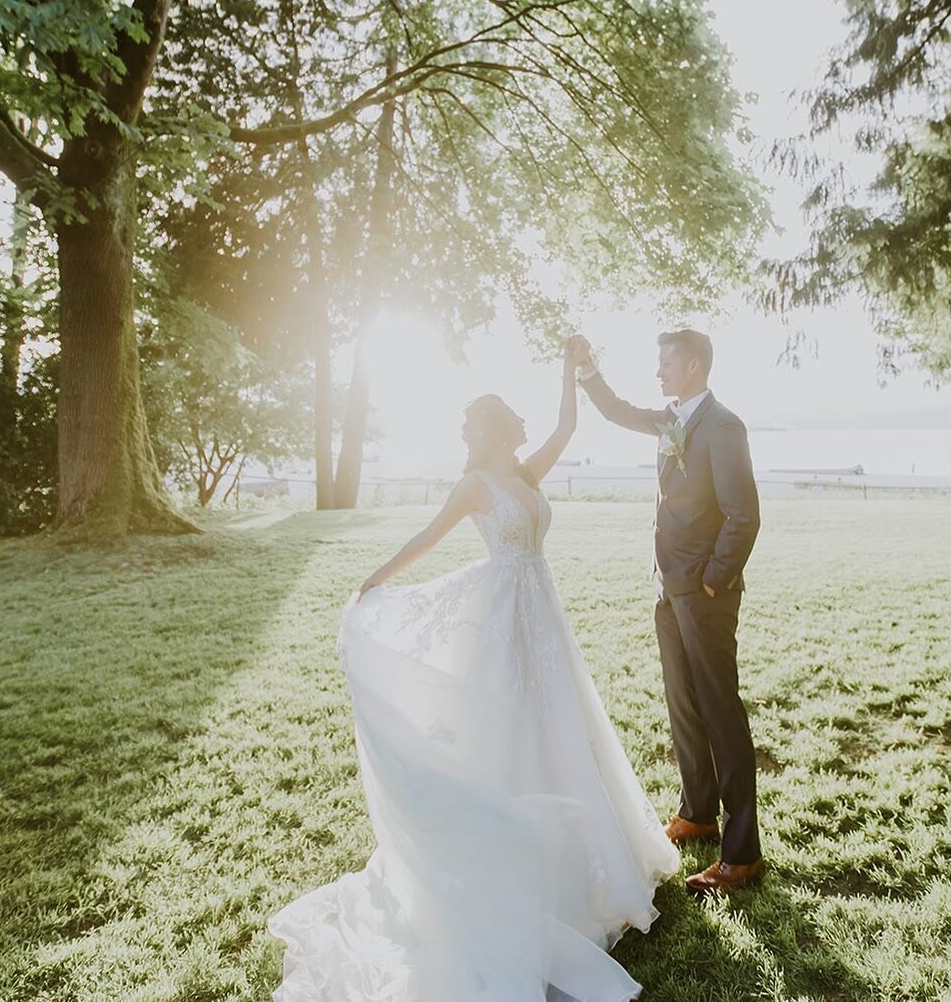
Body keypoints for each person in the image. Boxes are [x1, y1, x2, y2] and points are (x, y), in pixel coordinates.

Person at [266, 343, 679, 1001]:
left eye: (516, 424)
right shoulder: (475, 487)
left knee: (563, 725)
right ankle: (513, 853)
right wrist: (374, 580)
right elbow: (426, 538)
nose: (517, 431)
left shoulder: (528, 475)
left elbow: (568, 427)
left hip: (543, 617)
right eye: (507, 424)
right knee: (509, 730)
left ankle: (593, 860)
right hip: (503, 617)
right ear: (492, 431)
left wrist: (570, 372)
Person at [567, 330, 764, 896]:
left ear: (695, 365)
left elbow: (742, 515)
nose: (658, 373)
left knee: (720, 712)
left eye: (666, 364)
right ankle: (698, 811)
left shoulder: (723, 426)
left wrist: (710, 581)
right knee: (683, 706)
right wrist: (587, 368)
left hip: (703, 594)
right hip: (667, 589)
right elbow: (617, 411)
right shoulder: (673, 418)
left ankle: (742, 852)